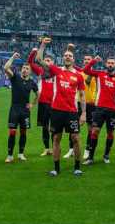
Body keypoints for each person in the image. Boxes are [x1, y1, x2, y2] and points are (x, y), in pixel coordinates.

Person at [35, 38, 87, 177]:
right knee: (56, 139)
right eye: (65, 56)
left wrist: (84, 113)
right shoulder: (56, 70)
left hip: (72, 112)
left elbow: (82, 95)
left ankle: (77, 167)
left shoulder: (78, 75)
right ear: (62, 58)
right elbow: (39, 59)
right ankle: (56, 168)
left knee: (75, 138)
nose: (67, 57)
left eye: (70, 56)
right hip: (57, 111)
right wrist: (43, 44)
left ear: (74, 59)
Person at [82, 55, 115, 165]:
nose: (110, 64)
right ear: (106, 64)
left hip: (112, 110)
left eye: (112, 63)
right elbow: (85, 70)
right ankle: (90, 158)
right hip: (99, 108)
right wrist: (93, 61)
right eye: (108, 62)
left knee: (110, 133)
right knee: (94, 131)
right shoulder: (100, 74)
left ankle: (106, 155)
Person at [3, 53, 38, 163]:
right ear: (21, 69)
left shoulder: (32, 82)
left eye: (27, 69)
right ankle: (9, 155)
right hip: (14, 108)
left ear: (30, 71)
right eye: (23, 68)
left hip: (25, 110)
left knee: (23, 132)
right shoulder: (15, 77)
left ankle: (21, 153)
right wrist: (13, 57)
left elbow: (38, 94)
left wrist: (32, 104)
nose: (25, 70)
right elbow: (5, 68)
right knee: (12, 132)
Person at [28, 48, 55, 156]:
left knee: (53, 128)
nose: (47, 62)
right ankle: (46, 148)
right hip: (43, 103)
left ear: (53, 63)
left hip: (54, 104)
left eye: (49, 60)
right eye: (46, 60)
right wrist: (33, 52)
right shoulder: (40, 71)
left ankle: (54, 148)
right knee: (44, 127)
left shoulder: (56, 72)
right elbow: (30, 62)